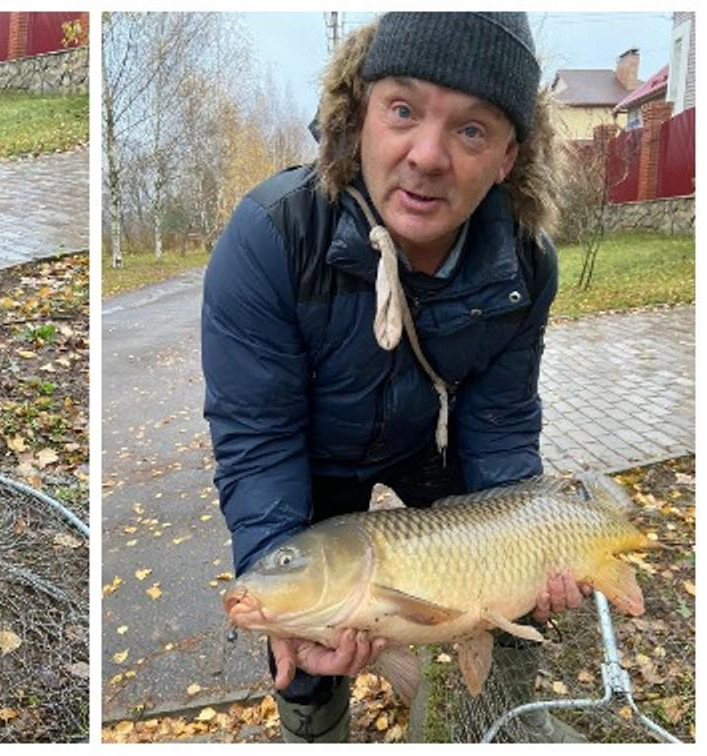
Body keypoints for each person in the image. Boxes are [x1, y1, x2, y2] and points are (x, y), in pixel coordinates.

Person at [202, 12, 585, 742]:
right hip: (310, 452)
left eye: (471, 130)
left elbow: (498, 428)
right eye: (402, 111)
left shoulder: (523, 264)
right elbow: (256, 439)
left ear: (508, 155)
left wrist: (532, 540)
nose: (427, 155)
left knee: (508, 591)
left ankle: (499, 715)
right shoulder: (271, 236)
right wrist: (273, 568)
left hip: (428, 446)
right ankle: (315, 724)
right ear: (359, 114)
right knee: (308, 614)